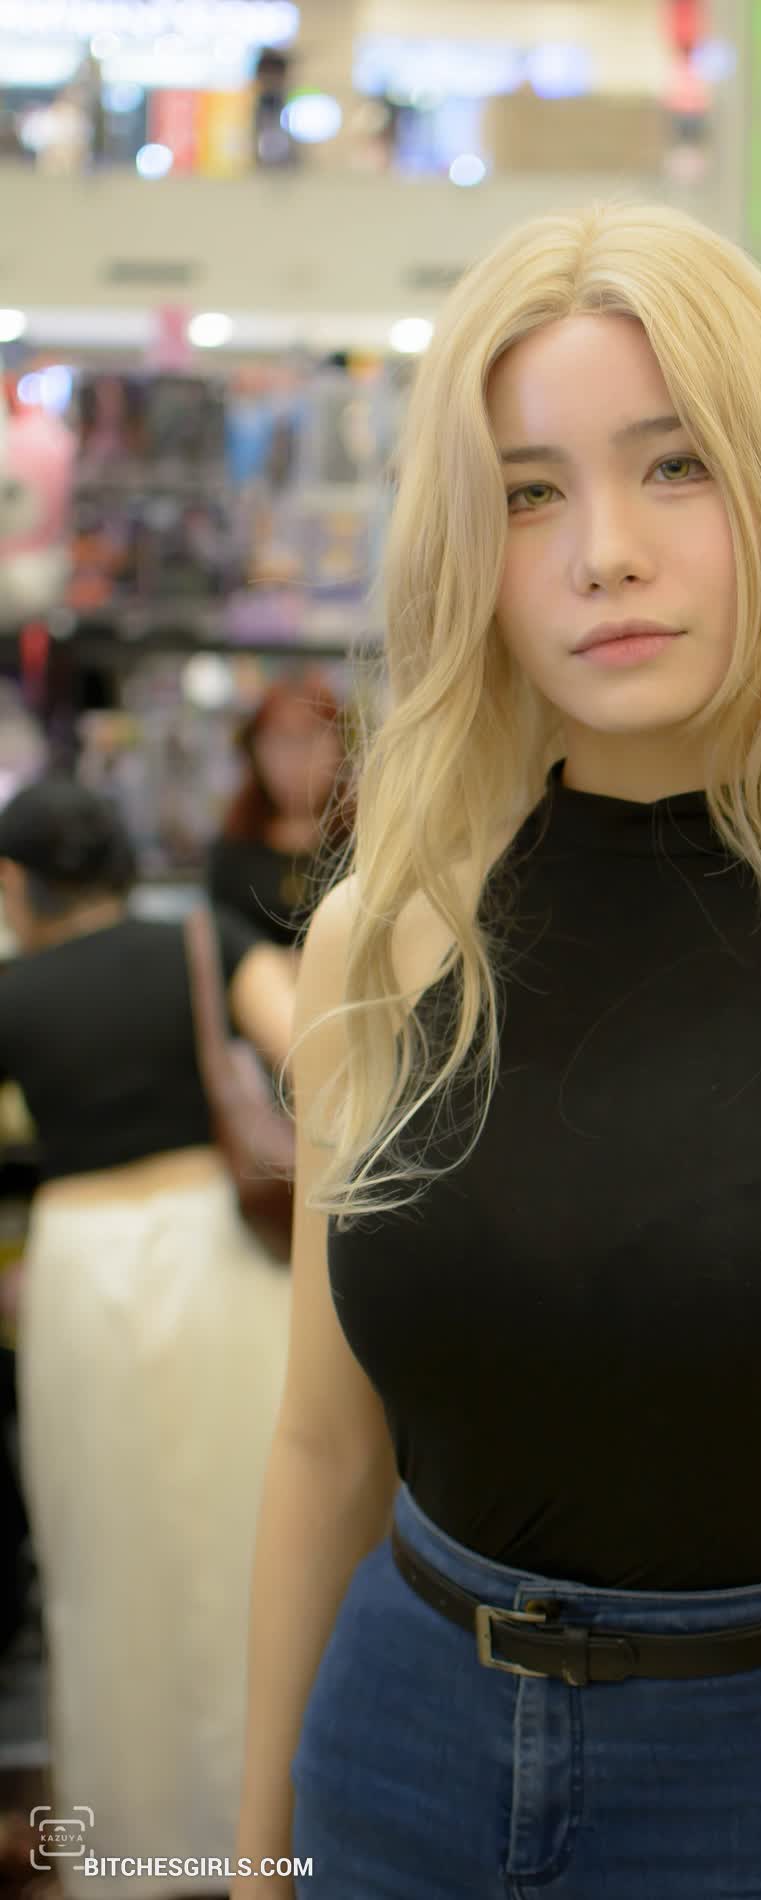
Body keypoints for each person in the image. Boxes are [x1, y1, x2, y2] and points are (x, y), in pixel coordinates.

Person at [233, 203, 761, 1900]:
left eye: (675, 466)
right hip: (391, 1743)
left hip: (760, 1782)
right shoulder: (381, 936)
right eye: (528, 492)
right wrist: (249, 1861)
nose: (604, 552)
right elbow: (323, 1448)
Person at [0, 777, 296, 1900]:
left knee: (104, 1562)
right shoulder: (201, 940)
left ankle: (129, 1847)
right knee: (249, 1542)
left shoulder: (15, 991)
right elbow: (318, 1047)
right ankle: (269, 1835)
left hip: (82, 1269)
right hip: (221, 1254)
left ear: (17, 882)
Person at [207, 674, 351, 951]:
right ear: (255, 749)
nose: (295, 758)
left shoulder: (363, 845)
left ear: (340, 744)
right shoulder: (233, 849)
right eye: (280, 740)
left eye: (309, 738)